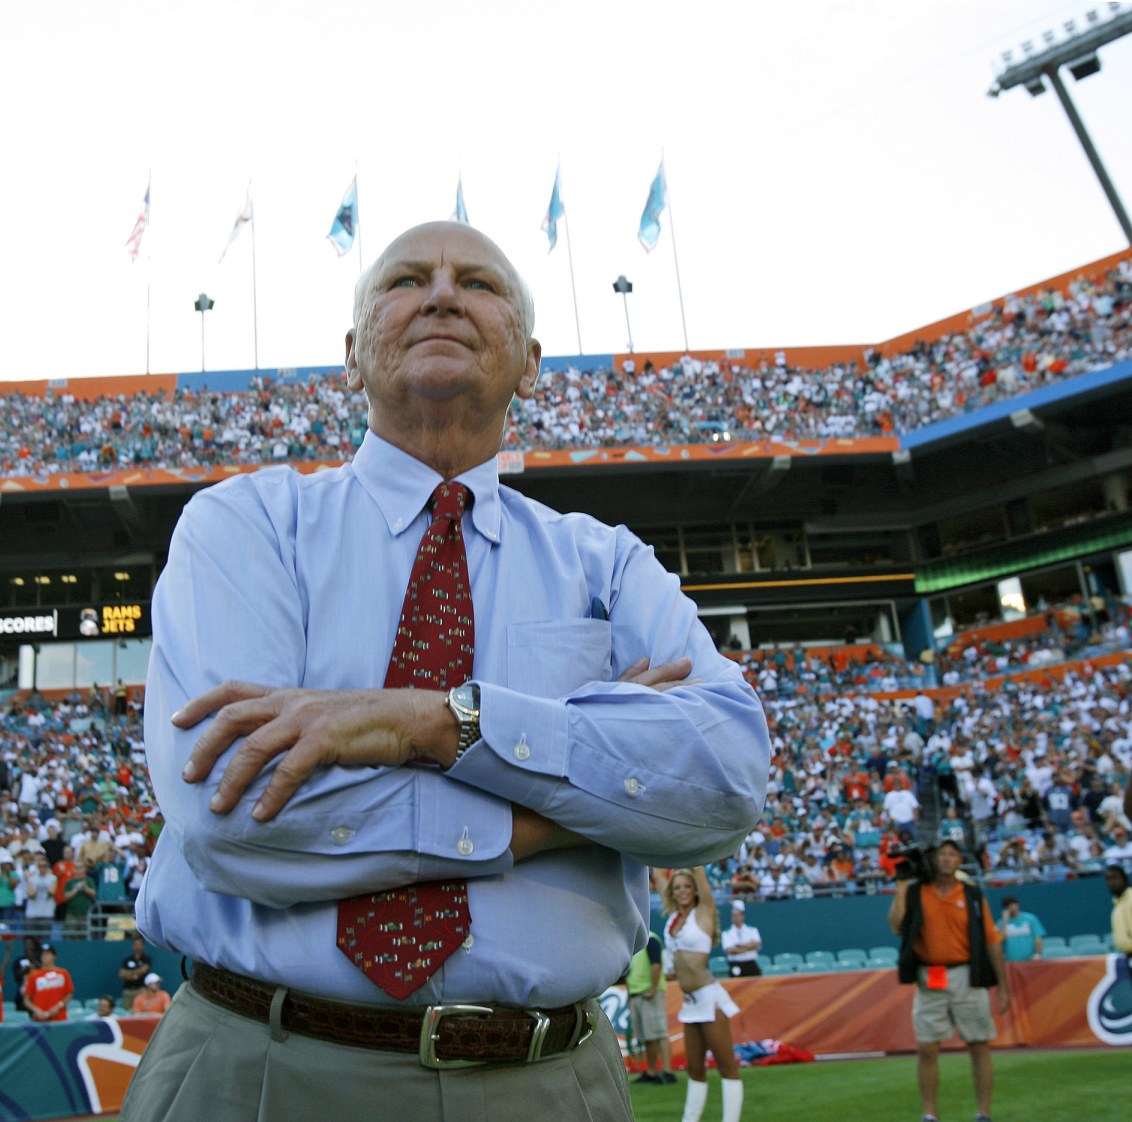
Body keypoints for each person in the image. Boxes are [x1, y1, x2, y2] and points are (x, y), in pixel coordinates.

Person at [120, 223, 769, 1122]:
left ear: (531, 364)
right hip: (261, 1066)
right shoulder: (247, 525)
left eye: (478, 282)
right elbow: (234, 811)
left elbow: (728, 774)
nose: (440, 294)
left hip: (552, 1081)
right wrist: (577, 807)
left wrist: (435, 721)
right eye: (406, 279)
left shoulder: (607, 564)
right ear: (352, 357)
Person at [888, 838, 1011, 1122]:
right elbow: (896, 925)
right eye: (941, 853)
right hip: (930, 975)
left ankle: (983, 1113)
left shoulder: (970, 894)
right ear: (933, 859)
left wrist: (1002, 988)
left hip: (966, 974)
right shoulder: (917, 891)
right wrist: (901, 884)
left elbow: (992, 941)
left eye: (951, 854)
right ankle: (929, 1115)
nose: (945, 858)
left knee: (979, 1043)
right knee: (927, 1047)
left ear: (959, 861)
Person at [663, 868, 744, 1122]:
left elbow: (701, 875)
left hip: (709, 998)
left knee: (726, 1065)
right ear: (672, 893)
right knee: (694, 1068)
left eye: (687, 886)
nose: (683, 891)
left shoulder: (704, 913)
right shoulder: (673, 920)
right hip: (690, 1003)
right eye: (677, 887)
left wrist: (694, 864)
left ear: (696, 889)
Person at [625, 930, 675, 1085]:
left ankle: (667, 1072)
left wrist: (653, 989)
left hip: (648, 993)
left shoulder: (650, 940)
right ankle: (652, 1071)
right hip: (637, 993)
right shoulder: (635, 942)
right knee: (648, 1036)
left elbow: (656, 964)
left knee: (658, 1033)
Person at [24, 943, 73, 1022]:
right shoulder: (34, 975)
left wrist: (58, 1006)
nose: (44, 956)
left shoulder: (63, 973)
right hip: (40, 1018)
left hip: (59, 1017)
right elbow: (26, 1000)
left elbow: (69, 995)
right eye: (42, 954)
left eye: (47, 953)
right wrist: (36, 1010)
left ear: (54, 956)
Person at [720, 900, 762, 977]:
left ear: (743, 916)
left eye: (738, 915)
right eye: (733, 915)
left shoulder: (752, 929)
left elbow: (756, 943)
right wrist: (748, 948)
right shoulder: (726, 933)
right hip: (735, 964)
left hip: (750, 964)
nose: (736, 918)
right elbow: (730, 950)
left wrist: (739, 946)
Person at [998, 896, 1045, 962]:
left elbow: (1038, 937)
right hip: (1012, 961)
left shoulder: (1030, 918)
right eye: (1008, 905)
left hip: (1031, 960)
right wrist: (1005, 920)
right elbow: (1000, 939)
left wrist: (1037, 954)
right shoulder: (1001, 923)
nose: (1012, 907)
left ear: (1017, 904)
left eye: (1013, 904)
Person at [118, 934, 153, 1012]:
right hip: (128, 990)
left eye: (139, 945)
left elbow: (143, 970)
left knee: (141, 1011)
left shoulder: (146, 959)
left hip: (141, 990)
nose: (137, 947)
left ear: (143, 946)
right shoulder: (127, 960)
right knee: (125, 1012)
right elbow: (121, 974)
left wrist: (129, 973)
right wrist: (134, 975)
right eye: (135, 944)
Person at [1109, 865, 1131, 962]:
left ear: (1124, 878)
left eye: (1115, 878)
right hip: (1127, 956)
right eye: (1108, 879)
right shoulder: (1117, 903)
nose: (1112, 883)